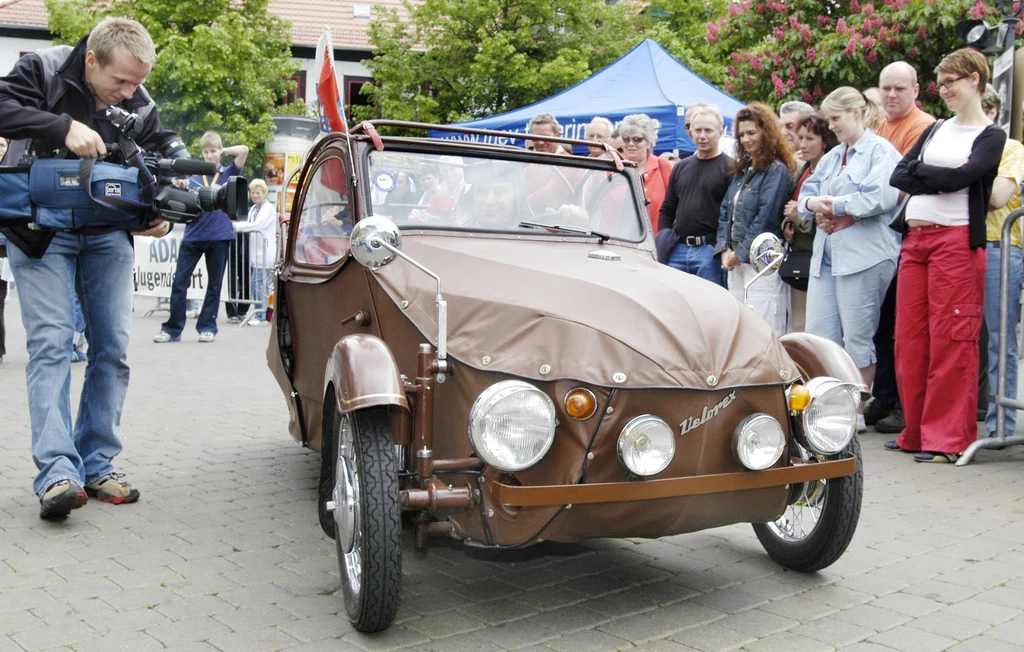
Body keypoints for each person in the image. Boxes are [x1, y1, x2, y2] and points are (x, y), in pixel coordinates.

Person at [0, 16, 177, 518]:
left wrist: (160, 215)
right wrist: (62, 126)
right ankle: (57, 472)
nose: (129, 93)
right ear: (92, 59)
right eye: (120, 80)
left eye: (138, 83)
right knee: (53, 344)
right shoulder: (44, 69)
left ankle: (97, 463)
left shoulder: (137, 102)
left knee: (113, 350)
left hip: (106, 236)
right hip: (39, 231)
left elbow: (160, 154)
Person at [888, 48, 1006, 463]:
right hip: (916, 242)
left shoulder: (992, 135)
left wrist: (928, 176)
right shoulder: (936, 128)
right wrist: (938, 178)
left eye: (952, 80)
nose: (945, 89)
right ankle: (916, 431)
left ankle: (947, 439)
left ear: (975, 79)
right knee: (910, 340)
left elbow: (965, 176)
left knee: (952, 340)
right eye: (941, 82)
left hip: (955, 243)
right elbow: (898, 174)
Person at [797, 88, 901, 434]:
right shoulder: (833, 156)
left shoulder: (880, 150)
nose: (832, 126)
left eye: (836, 118)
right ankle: (826, 407)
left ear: (856, 112)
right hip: (827, 255)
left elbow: (882, 196)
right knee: (819, 334)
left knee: (858, 335)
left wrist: (836, 205)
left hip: (865, 255)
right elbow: (806, 196)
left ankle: (854, 408)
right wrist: (817, 207)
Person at [869, 61, 940, 435]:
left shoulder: (921, 127)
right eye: (886, 88)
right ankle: (884, 397)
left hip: (905, 237)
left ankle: (900, 402)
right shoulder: (882, 126)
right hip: (883, 238)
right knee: (882, 324)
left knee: (902, 327)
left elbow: (899, 184)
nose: (891, 95)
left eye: (899, 88)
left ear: (916, 90)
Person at [154, 132, 247, 344]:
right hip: (193, 235)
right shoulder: (193, 176)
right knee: (179, 282)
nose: (210, 155)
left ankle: (207, 327)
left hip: (220, 235)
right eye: (206, 152)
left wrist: (224, 151)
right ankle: (172, 329)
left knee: (214, 285)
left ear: (219, 150)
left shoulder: (228, 172)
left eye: (213, 151)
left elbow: (244, 151)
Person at [715, 103, 795, 336]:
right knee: (739, 327)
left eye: (752, 132)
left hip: (761, 262)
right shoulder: (743, 170)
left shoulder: (776, 171)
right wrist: (724, 249)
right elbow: (725, 212)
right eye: (741, 134)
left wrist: (738, 255)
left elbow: (766, 219)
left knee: (764, 326)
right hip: (735, 259)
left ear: (766, 132)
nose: (746, 139)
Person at [979, 84, 1024, 437]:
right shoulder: (957, 142)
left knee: (1000, 340)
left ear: (992, 112)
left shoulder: (1011, 148)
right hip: (964, 245)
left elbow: (998, 197)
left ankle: (1002, 427)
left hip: (1001, 247)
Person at [658, 103, 732, 287]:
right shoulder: (681, 167)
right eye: (697, 130)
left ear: (720, 132)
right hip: (677, 248)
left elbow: (731, 216)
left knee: (711, 307)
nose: (702, 136)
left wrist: (721, 247)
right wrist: (664, 238)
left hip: (710, 251)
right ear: (690, 132)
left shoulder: (731, 168)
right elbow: (668, 209)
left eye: (708, 130)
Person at [781, 113, 839, 331]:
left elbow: (829, 217)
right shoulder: (802, 169)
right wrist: (788, 222)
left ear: (825, 141)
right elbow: (790, 205)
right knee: (798, 324)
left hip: (824, 257)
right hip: (800, 255)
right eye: (801, 137)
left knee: (817, 327)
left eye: (810, 139)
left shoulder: (833, 171)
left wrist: (799, 220)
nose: (802, 144)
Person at [619, 113, 673, 236]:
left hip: (655, 245)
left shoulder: (663, 167)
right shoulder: (613, 169)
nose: (631, 143)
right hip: (618, 244)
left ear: (648, 143)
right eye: (626, 139)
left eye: (637, 139)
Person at [233, 178, 277, 325]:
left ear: (264, 193)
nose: (255, 196)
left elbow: (257, 225)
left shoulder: (268, 209)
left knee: (255, 283)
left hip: (265, 254)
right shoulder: (253, 209)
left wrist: (236, 226)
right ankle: (264, 314)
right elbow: (250, 223)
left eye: (258, 193)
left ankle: (261, 315)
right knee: (261, 285)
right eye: (253, 193)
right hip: (257, 255)